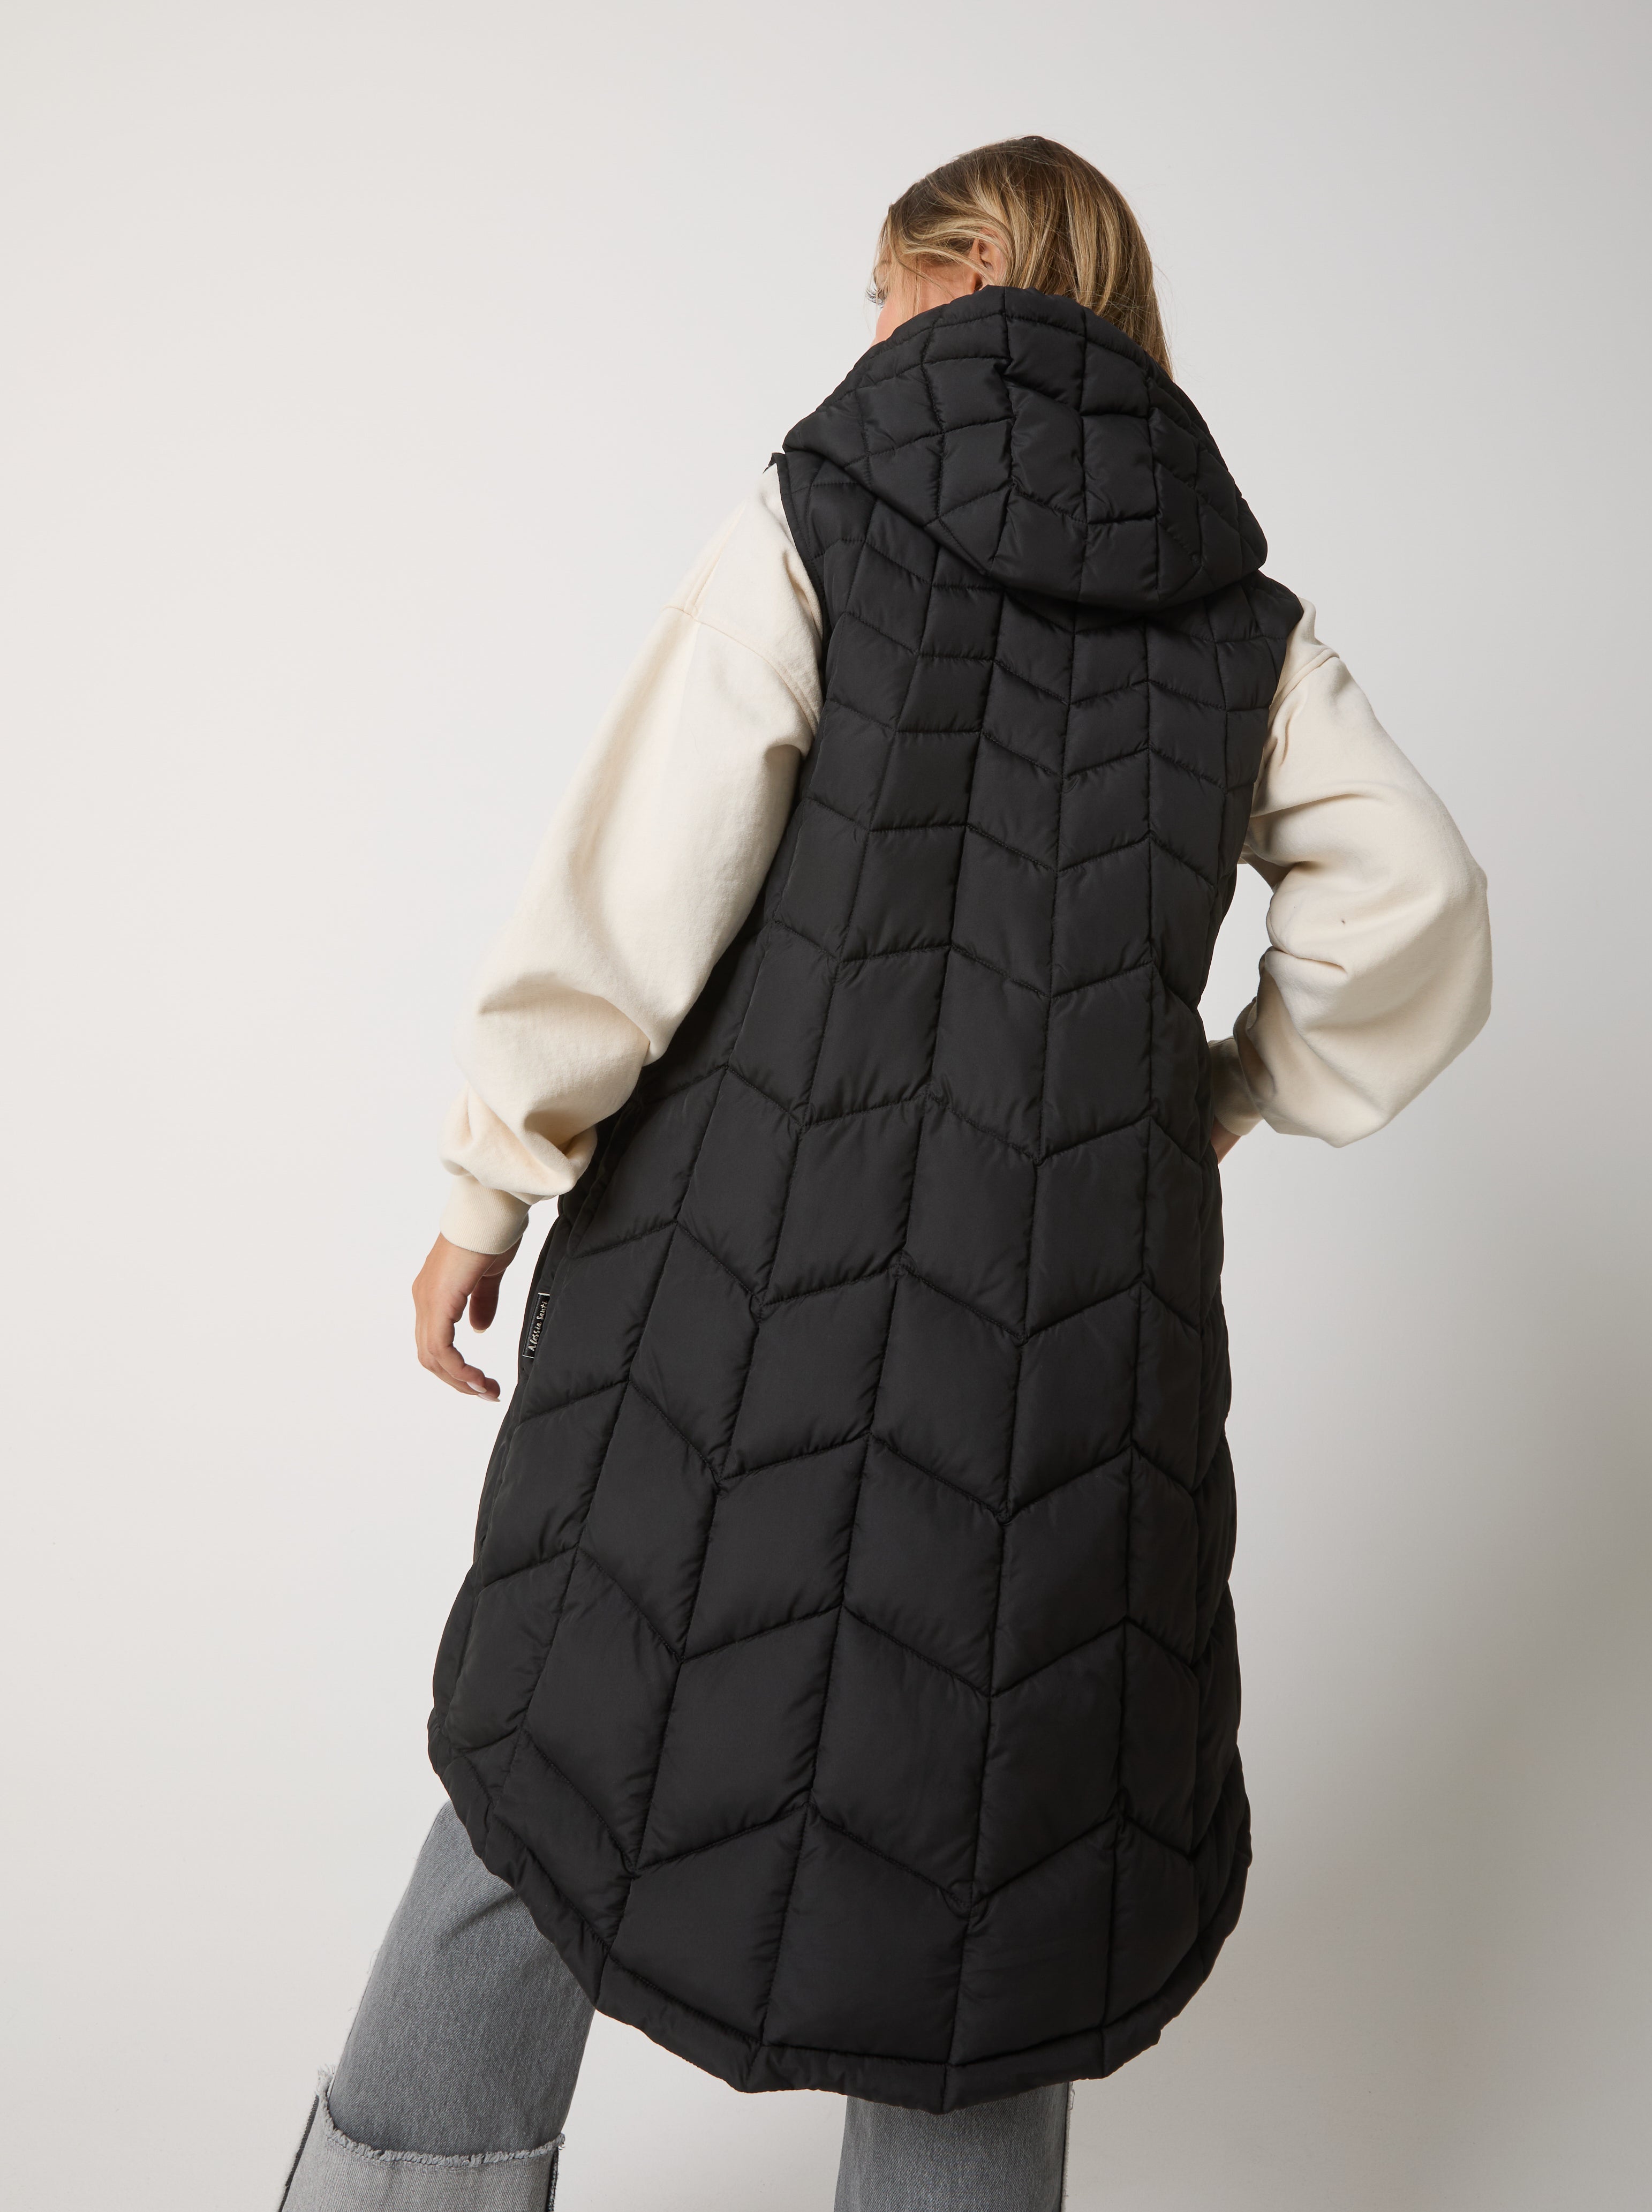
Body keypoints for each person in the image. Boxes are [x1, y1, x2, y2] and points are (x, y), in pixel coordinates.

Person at [281, 137, 1491, 2211]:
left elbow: (633, 878)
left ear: (973, 265)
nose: (866, 336)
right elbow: (1419, 905)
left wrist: (489, 1178)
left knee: (548, 1781)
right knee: (986, 1908)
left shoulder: (825, 506)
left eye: (884, 290)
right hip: (1061, 1383)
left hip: (723, 1323)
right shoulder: (1241, 627)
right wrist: (1208, 1094)